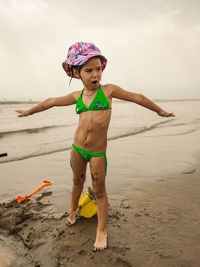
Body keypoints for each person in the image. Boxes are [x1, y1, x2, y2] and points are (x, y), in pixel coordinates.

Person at [16, 42, 175, 251]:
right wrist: (29, 112)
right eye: (88, 70)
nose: (95, 75)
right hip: (77, 149)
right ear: (76, 72)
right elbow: (51, 102)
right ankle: (72, 210)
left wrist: (159, 111)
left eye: (98, 69)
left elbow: (138, 97)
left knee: (100, 191)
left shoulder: (109, 91)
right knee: (76, 182)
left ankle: (101, 230)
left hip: (97, 152)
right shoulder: (77, 96)